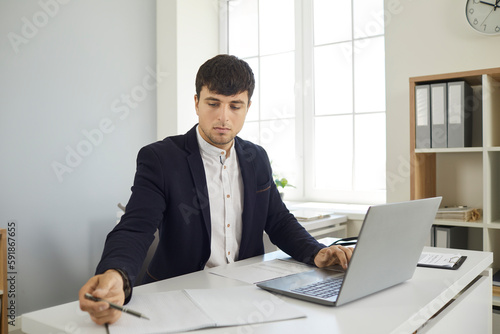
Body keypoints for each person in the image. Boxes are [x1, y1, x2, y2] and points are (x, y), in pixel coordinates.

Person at [79, 54, 353, 325]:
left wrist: (316, 251)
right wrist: (115, 275)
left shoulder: (256, 158)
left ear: (248, 107)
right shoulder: (161, 159)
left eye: (235, 106)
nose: (223, 117)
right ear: (197, 103)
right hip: (179, 297)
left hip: (248, 297)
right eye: (214, 103)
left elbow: (278, 220)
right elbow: (135, 228)